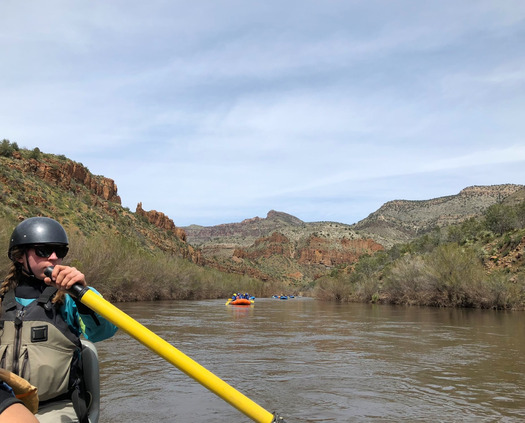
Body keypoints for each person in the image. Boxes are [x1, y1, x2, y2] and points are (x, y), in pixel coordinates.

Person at [0, 217, 118, 423]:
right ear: (20, 256)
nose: (54, 257)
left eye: (60, 251)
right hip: (4, 402)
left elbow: (104, 331)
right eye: (43, 250)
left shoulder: (71, 298)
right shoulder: (2, 297)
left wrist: (82, 294)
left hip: (55, 407)